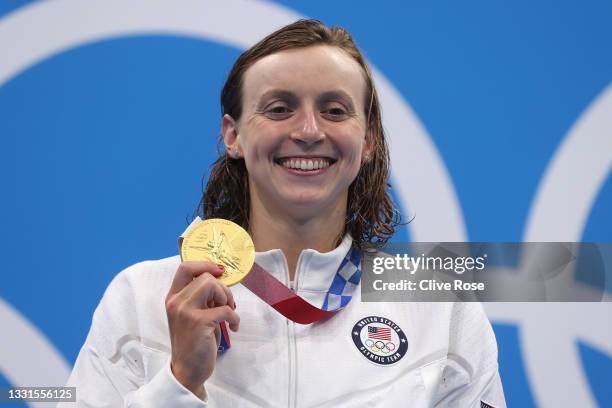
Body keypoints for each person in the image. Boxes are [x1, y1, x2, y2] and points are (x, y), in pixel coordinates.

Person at [62, 19, 506, 407]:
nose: (309, 131)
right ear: (232, 135)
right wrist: (180, 381)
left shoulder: (441, 311)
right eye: (279, 109)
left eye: (334, 110)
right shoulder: (141, 299)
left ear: (368, 139)